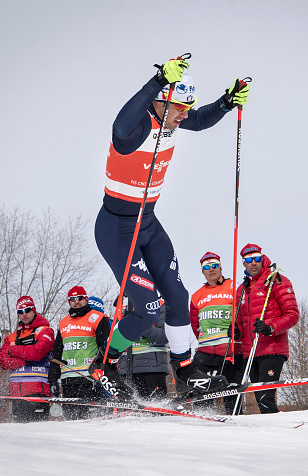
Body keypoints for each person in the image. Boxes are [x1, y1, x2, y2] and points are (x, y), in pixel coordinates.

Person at [92, 56, 249, 395]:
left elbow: (202, 119)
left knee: (177, 296)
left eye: (185, 110)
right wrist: (158, 80)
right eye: (179, 109)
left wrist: (225, 102)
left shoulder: (171, 120)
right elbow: (119, 128)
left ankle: (183, 369)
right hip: (116, 229)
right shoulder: (136, 130)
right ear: (161, 101)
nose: (184, 116)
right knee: (147, 309)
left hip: (147, 223)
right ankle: (105, 363)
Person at [234, 244, 299, 413]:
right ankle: (268, 433)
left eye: (257, 258)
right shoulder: (240, 290)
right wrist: (236, 331)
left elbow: (292, 314)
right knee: (259, 398)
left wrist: (270, 328)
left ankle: (277, 432)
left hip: (272, 349)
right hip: (250, 352)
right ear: (244, 264)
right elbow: (240, 321)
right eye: (249, 260)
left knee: (265, 397)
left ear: (262, 260)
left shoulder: (276, 280)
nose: (253, 263)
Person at [48, 286, 112, 420]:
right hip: (68, 380)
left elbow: (105, 349)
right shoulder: (63, 322)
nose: (76, 301)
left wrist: (103, 374)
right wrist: (53, 380)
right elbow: (57, 352)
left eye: (80, 298)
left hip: (91, 379)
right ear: (69, 301)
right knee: (72, 423)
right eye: (73, 299)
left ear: (86, 299)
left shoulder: (98, 318)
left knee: (93, 421)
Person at [190, 251, 242, 414]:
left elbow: (243, 314)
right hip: (205, 353)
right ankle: (201, 426)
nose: (211, 269)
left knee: (231, 395)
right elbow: (194, 324)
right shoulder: (197, 296)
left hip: (229, 351)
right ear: (202, 271)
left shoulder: (235, 287)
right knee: (202, 396)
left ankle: (236, 426)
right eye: (207, 267)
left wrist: (238, 329)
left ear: (220, 267)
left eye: (214, 265)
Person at [0, 296, 55, 422]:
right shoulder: (12, 336)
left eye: (27, 310)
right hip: (15, 393)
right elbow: (3, 361)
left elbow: (37, 353)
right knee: (20, 437)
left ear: (34, 310)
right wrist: (25, 359)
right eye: (20, 312)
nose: (24, 314)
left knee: (36, 434)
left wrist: (13, 350)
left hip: (37, 390)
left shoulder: (46, 331)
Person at [117, 298, 170, 400]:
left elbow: (164, 337)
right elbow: (115, 339)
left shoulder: (160, 305)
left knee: (156, 410)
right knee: (128, 413)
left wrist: (139, 323)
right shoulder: (123, 308)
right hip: (126, 369)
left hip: (152, 368)